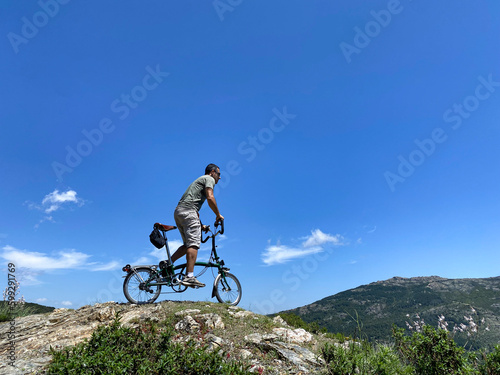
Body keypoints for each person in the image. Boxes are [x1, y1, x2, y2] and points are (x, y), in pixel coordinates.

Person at [170, 164, 224, 287]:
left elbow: (193, 210)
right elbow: (210, 198)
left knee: (187, 245)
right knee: (194, 244)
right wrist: (218, 215)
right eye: (219, 174)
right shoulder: (209, 179)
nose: (219, 178)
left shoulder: (200, 180)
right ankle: (189, 276)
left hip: (179, 211)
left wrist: (201, 225)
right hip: (188, 211)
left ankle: (168, 264)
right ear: (212, 172)